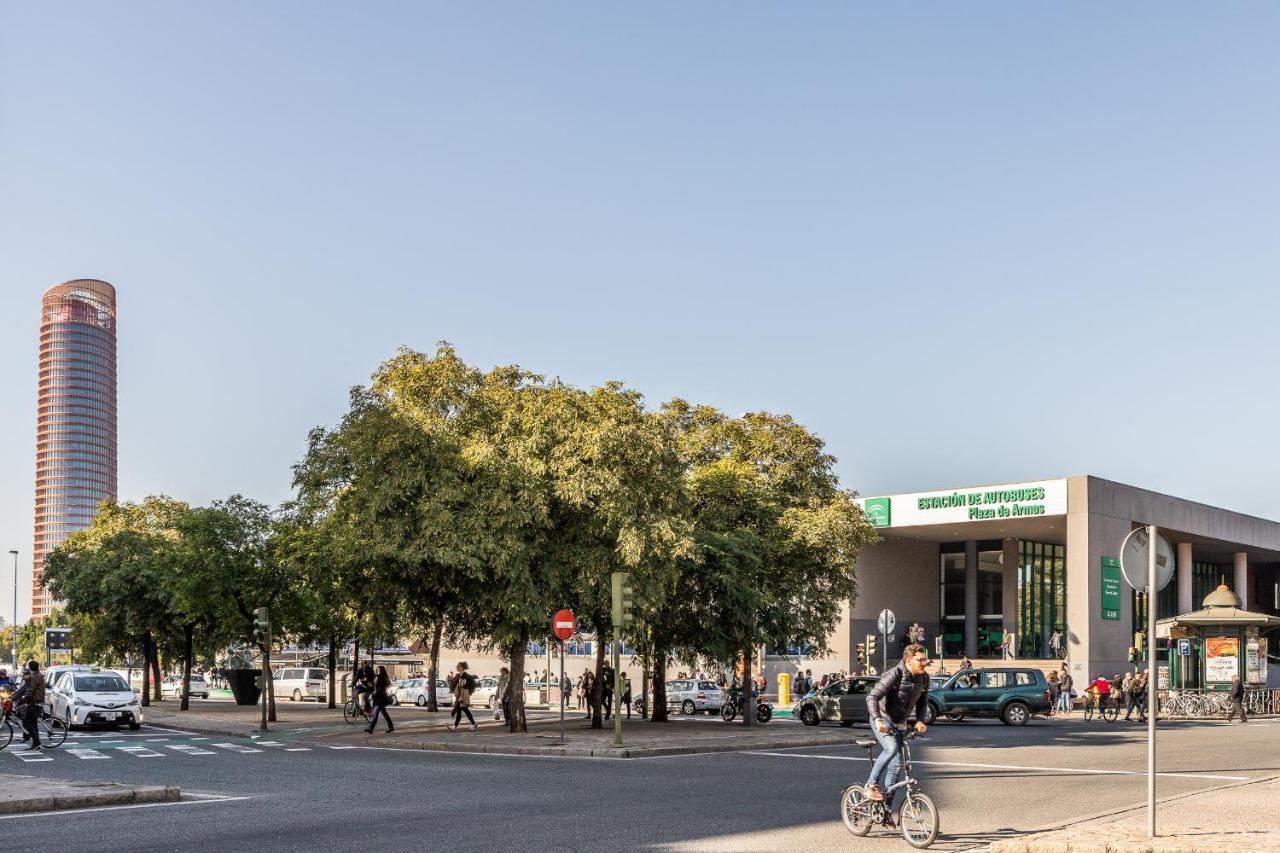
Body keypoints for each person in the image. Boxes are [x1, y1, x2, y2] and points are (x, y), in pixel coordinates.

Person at [863, 644, 930, 822]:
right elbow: (872, 697)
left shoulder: (924, 678)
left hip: (899, 723)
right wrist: (877, 719)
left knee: (896, 768)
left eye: (925, 659)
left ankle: (885, 812)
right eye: (920, 660)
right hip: (883, 719)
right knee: (891, 748)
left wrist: (920, 720)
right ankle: (871, 784)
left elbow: (923, 702)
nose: (924, 662)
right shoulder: (895, 674)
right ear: (908, 660)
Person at [20, 661, 45, 751]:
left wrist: (24, 699)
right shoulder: (40, 675)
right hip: (39, 702)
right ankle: (36, 743)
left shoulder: (35, 677)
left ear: (30, 668)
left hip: (34, 702)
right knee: (33, 723)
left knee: (27, 722)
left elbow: (31, 691)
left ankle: (36, 742)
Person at [447, 662, 477, 732]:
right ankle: (473, 723)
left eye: (458, 666)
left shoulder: (467, 676)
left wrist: (467, 694)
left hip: (463, 696)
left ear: (462, 667)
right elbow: (454, 683)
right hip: (459, 696)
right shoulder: (458, 675)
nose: (457, 667)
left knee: (460, 711)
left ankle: (455, 726)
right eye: (457, 666)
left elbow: (471, 686)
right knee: (465, 710)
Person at [365, 665, 394, 734]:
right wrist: (372, 686)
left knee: (375, 714)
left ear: (382, 671)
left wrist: (375, 688)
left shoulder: (382, 677)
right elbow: (376, 686)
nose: (378, 671)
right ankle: (391, 727)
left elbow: (381, 687)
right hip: (377, 698)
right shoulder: (378, 677)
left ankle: (370, 729)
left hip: (380, 698)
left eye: (379, 670)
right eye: (377, 670)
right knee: (385, 714)